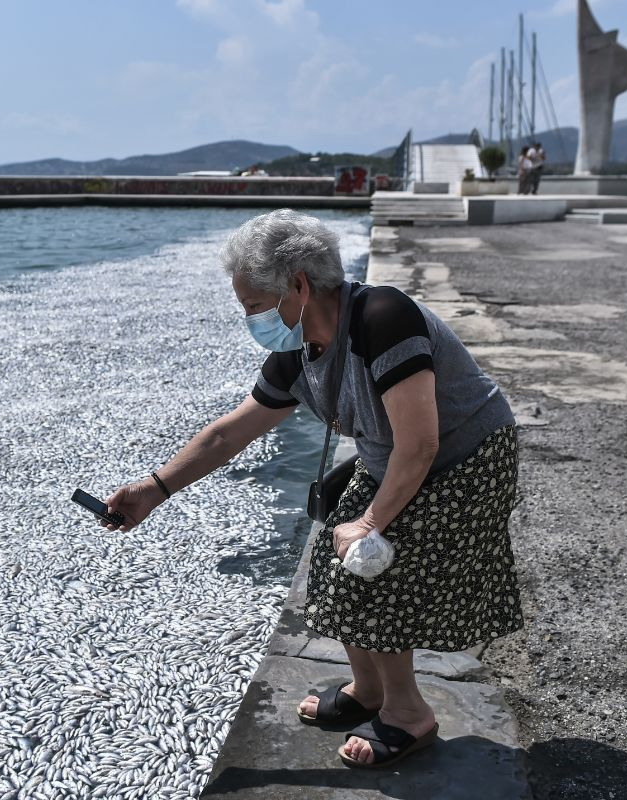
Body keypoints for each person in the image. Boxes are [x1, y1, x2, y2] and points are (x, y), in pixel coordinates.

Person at [100, 209, 523, 770]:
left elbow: (421, 444)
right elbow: (230, 433)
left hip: (464, 457)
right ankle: (368, 691)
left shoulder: (382, 316)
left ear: (298, 285)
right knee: (331, 565)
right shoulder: (298, 351)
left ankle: (407, 714)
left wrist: (370, 523)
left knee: (375, 568)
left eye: (253, 304)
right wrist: (154, 489)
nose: (249, 317)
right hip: (391, 457)